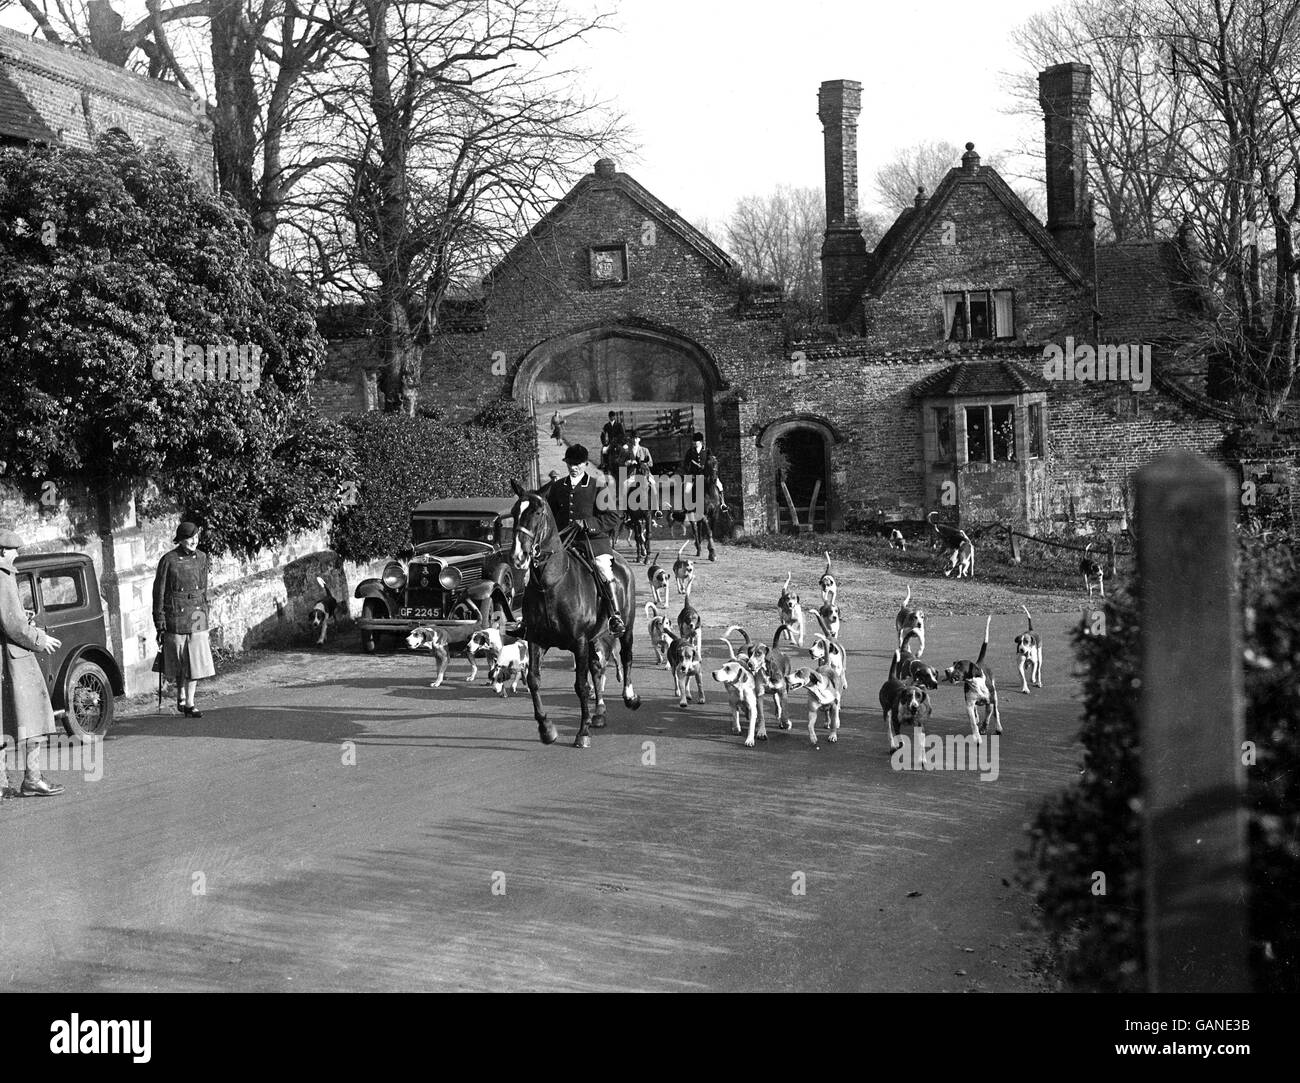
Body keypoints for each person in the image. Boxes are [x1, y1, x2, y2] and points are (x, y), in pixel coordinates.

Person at [0, 527, 65, 797]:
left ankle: (2, 785)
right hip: (15, 656)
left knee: (3, 723)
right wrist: (40, 639)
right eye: (15, 550)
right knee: (35, 716)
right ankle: (33, 778)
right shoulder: (3, 575)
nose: (17, 555)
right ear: (3, 551)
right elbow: (13, 624)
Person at [540, 444, 627, 635]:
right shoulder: (557, 487)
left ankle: (615, 616)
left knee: (603, 568)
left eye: (577, 464)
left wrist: (588, 524)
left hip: (592, 542)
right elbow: (550, 517)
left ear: (585, 464)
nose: (573, 467)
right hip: (563, 543)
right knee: (539, 568)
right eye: (570, 464)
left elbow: (614, 516)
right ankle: (533, 618)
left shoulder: (598, 486)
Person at [152, 520, 216, 717]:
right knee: (180, 660)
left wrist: (205, 615)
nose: (193, 541)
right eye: (189, 538)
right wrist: (160, 621)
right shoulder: (168, 560)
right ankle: (180, 695)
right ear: (180, 540)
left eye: (196, 537)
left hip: (197, 614)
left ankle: (190, 703)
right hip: (176, 614)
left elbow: (203, 589)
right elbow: (159, 592)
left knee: (195, 660)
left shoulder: (203, 557)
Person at [682, 431, 727, 562]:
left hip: (707, 476)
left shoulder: (707, 451)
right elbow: (685, 465)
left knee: (719, 484)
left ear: (701, 442)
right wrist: (692, 471)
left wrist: (706, 467)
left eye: (696, 441)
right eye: (694, 441)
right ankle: (687, 506)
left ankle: (723, 503)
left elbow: (712, 461)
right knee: (687, 488)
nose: (694, 443)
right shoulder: (690, 452)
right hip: (694, 477)